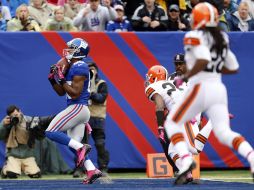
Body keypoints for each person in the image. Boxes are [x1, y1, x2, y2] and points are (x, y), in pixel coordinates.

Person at [163, 2, 254, 184]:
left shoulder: (194, 36)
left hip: (200, 88)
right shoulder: (222, 37)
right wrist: (214, 70)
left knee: (172, 124)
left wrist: (186, 76)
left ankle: (187, 161)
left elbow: (203, 59)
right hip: (218, 89)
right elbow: (233, 67)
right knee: (224, 133)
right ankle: (251, 157)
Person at [47, 38, 102, 184]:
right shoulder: (73, 66)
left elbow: (75, 93)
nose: (67, 50)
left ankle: (82, 148)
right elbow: (61, 92)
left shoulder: (80, 66)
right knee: (74, 146)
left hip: (78, 107)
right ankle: (91, 170)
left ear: (79, 51)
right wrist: (53, 79)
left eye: (71, 48)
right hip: (78, 108)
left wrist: (62, 79)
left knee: (51, 132)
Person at [0, 105, 53, 179]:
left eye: (16, 114)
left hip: (27, 154)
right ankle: (5, 170)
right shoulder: (7, 122)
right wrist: (3, 125)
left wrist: (39, 131)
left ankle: (24, 168)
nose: (15, 117)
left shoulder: (29, 121)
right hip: (13, 154)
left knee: (36, 175)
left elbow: (40, 138)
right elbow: (1, 136)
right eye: (12, 116)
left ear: (20, 111)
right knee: (11, 175)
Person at [86, 61, 110, 174]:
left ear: (96, 71)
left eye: (93, 69)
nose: (91, 71)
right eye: (89, 69)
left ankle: (103, 167)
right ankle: (80, 168)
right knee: (82, 145)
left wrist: (91, 94)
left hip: (98, 118)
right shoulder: (82, 83)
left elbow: (101, 98)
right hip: (85, 118)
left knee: (100, 143)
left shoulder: (102, 83)